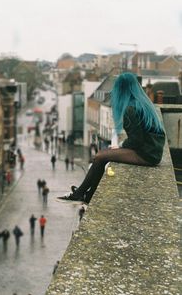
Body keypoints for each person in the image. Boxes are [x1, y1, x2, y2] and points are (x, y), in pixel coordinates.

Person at [57, 72, 165, 204]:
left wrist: (120, 147)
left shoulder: (130, 109)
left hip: (147, 154)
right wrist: (119, 149)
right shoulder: (142, 103)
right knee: (103, 156)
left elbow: (136, 140)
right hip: (153, 151)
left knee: (101, 156)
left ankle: (80, 194)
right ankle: (87, 195)